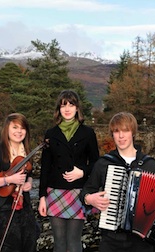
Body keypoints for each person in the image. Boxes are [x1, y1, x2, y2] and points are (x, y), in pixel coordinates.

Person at [79, 112, 155, 252]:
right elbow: (84, 192)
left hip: (141, 242)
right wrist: (89, 198)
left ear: (133, 133)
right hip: (111, 240)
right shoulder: (104, 163)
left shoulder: (149, 165)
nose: (121, 136)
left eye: (125, 131)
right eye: (117, 132)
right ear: (112, 135)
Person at [38, 90, 100, 252]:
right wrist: (42, 197)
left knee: (73, 242)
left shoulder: (88, 133)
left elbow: (96, 163)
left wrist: (83, 172)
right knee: (59, 243)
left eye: (71, 105)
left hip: (77, 192)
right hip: (54, 192)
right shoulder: (51, 134)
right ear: (58, 108)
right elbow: (45, 167)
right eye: (63, 105)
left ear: (77, 108)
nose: (67, 109)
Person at [0, 113, 37, 252]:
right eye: (15, 127)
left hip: (23, 205)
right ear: (7, 129)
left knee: (32, 238)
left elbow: (29, 174)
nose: (19, 131)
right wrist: (8, 180)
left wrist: (28, 182)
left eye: (22, 128)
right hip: (1, 207)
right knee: (12, 243)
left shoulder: (27, 152)